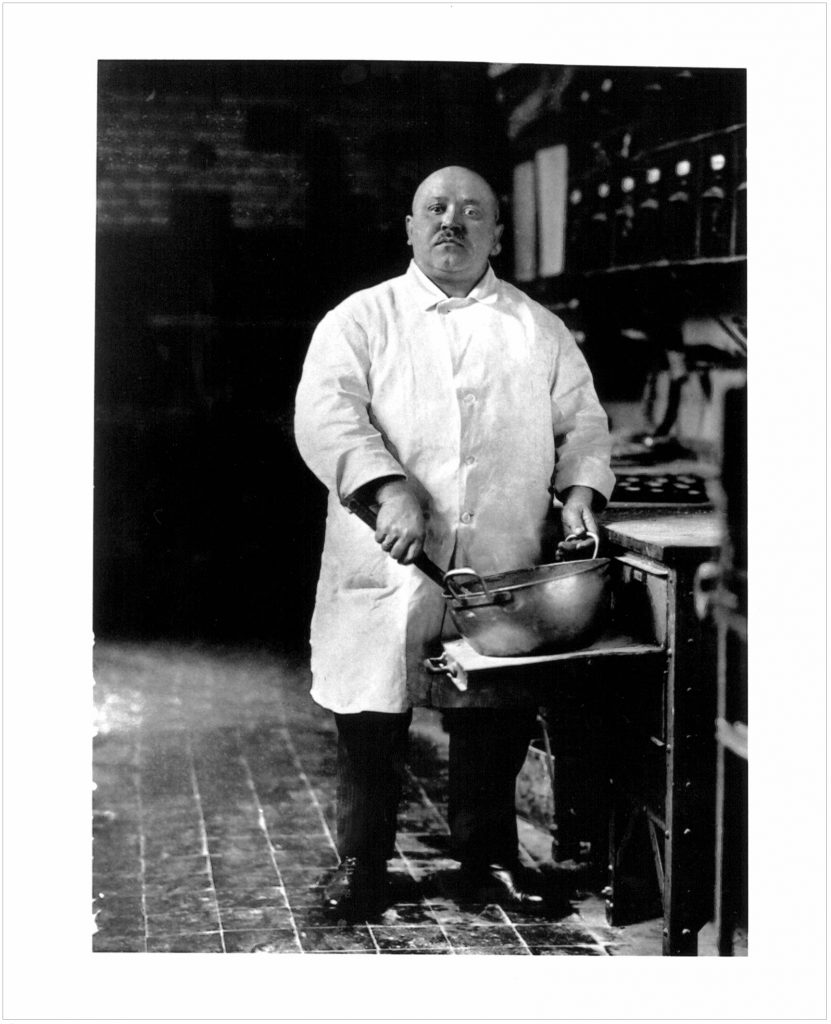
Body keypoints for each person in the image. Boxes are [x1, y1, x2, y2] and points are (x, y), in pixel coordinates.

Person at [294, 165, 615, 921]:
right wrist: (384, 487)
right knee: (370, 713)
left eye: (472, 212)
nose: (452, 222)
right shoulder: (360, 320)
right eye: (434, 208)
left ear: (496, 233)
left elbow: (585, 425)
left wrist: (578, 495)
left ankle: (488, 859)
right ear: (408, 227)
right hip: (386, 555)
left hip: (498, 557)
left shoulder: (536, 328)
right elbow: (325, 416)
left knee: (491, 714)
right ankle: (361, 864)